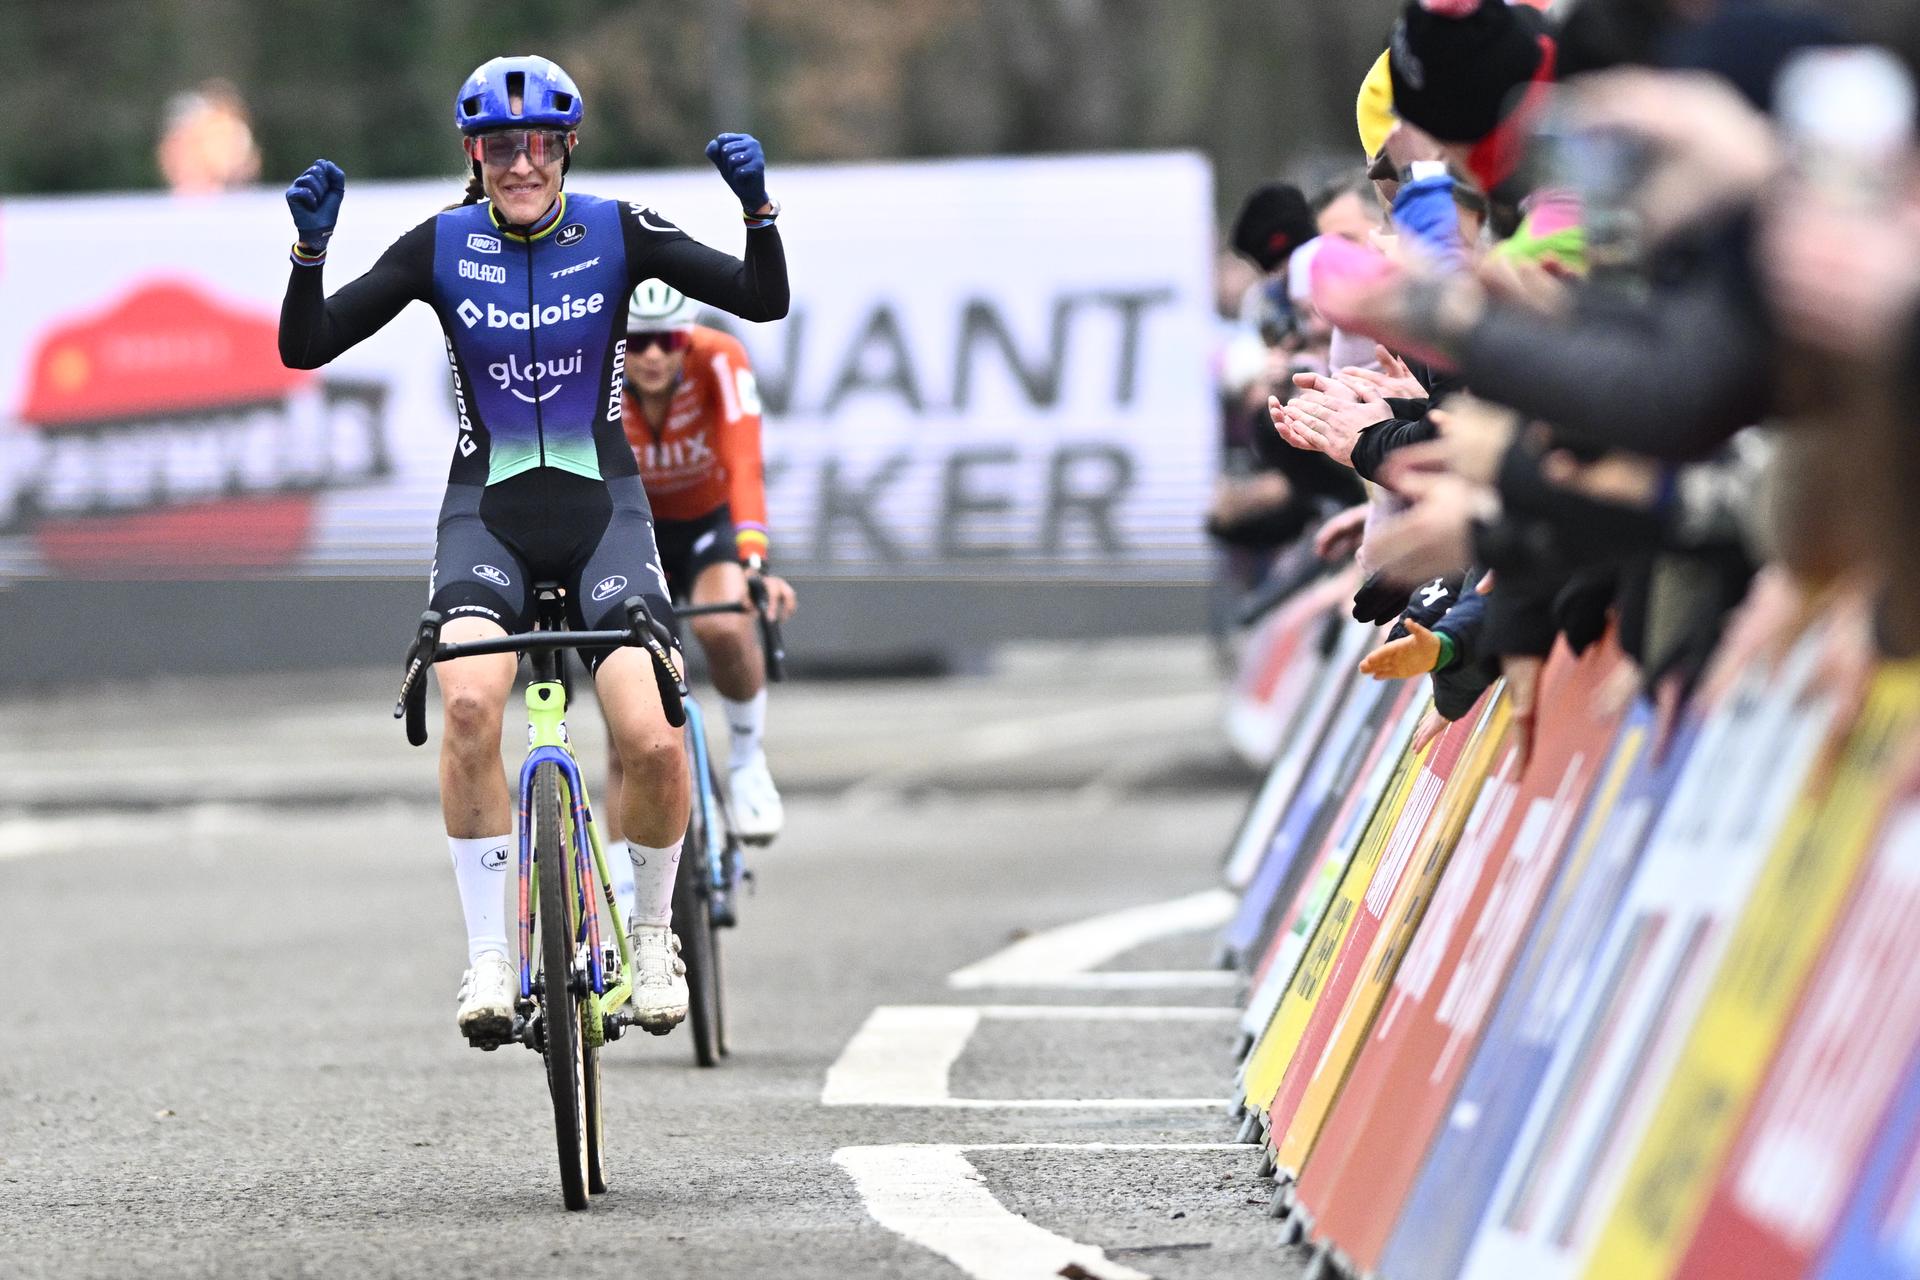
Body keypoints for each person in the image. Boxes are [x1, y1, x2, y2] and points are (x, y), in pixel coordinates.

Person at [276, 54, 789, 1046]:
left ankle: (652, 936)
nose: (522, 164)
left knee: (650, 734)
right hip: (488, 516)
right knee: (468, 702)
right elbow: (309, 345)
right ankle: (491, 955)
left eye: (539, 144)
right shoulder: (442, 244)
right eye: (501, 147)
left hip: (605, 515)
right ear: (474, 154)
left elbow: (758, 299)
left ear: (566, 149)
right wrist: (308, 256)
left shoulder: (616, 228)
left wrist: (759, 215)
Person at [603, 279, 798, 861]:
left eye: (668, 340)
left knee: (723, 624)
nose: (654, 355)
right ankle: (627, 879)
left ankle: (746, 762)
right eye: (637, 344)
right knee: (626, 727)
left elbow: (743, 462)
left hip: (709, 521)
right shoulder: (596, 375)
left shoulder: (721, 359)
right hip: (633, 532)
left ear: (687, 339)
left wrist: (755, 562)